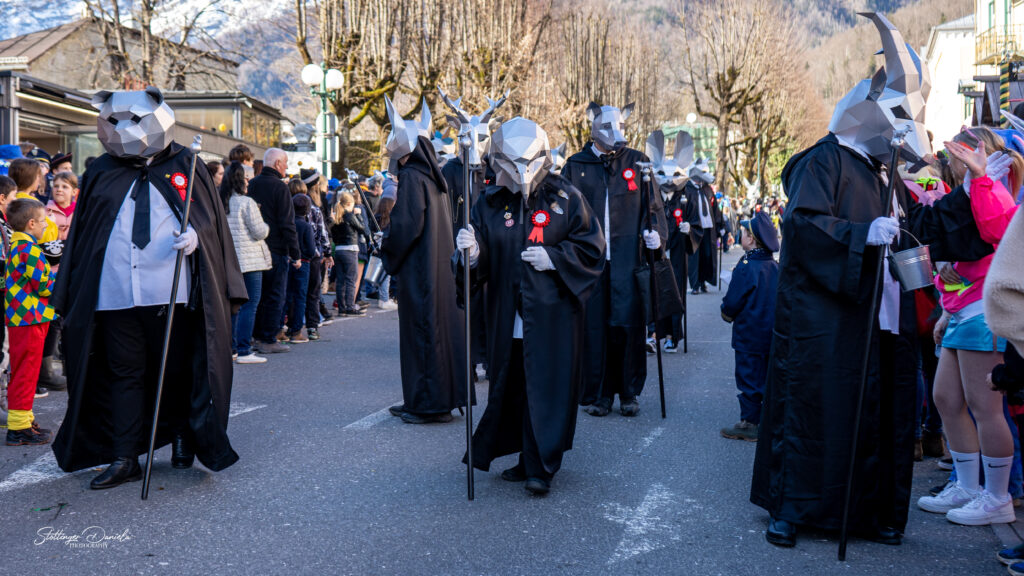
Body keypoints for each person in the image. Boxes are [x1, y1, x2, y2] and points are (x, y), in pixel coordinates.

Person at [751, 13, 997, 548]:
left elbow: (926, 226)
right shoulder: (823, 162)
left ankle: (875, 509)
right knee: (818, 407)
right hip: (828, 320)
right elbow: (802, 225)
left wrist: (977, 188)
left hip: (884, 316)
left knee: (882, 410)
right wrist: (862, 233)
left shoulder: (886, 174)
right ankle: (792, 509)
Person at [51, 86, 246, 489]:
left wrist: (197, 234)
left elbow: (210, 222)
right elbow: (85, 236)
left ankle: (180, 438)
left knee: (174, 367)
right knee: (124, 372)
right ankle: (125, 456)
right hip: (115, 292)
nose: (123, 130)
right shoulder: (101, 172)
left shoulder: (187, 164)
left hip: (170, 289)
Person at [455, 117, 605, 494]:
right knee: (514, 386)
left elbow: (592, 248)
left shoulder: (566, 198)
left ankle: (542, 465)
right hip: (508, 315)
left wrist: (555, 258)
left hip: (553, 316)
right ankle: (524, 456)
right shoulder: (488, 204)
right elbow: (482, 260)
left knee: (546, 387)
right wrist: (472, 255)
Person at [916, 134, 1019, 525]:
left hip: (984, 312)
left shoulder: (994, 189)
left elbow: (997, 236)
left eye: (956, 153)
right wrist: (946, 307)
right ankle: (970, 485)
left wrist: (980, 179)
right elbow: (958, 258)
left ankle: (997, 496)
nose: (949, 159)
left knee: (985, 408)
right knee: (946, 399)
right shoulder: (971, 188)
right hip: (962, 310)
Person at [562, 102, 667, 417]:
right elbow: (565, 214)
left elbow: (654, 207)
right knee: (595, 327)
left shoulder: (637, 162)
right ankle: (599, 393)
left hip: (626, 260)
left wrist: (656, 235)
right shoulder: (575, 166)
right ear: (592, 127)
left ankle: (628, 392)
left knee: (627, 325)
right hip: (590, 261)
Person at [379, 96, 469, 424]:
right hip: (437, 271)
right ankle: (424, 398)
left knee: (423, 334)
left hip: (421, 274)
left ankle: (428, 404)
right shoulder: (433, 178)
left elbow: (406, 226)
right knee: (435, 332)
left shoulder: (415, 179)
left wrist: (386, 243)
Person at [719, 212, 779, 441]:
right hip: (769, 333)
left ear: (751, 239)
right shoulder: (773, 265)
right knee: (764, 375)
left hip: (748, 335)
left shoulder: (746, 265)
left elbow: (733, 301)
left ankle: (750, 423)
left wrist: (727, 313)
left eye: (743, 233)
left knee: (749, 377)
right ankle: (765, 418)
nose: (740, 235)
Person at [4, 198, 56, 446]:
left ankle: (23, 420)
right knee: (26, 372)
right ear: (31, 223)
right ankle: (18, 427)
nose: (47, 225)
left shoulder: (17, 246)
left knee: (23, 370)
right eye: (44, 221)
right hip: (30, 317)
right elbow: (44, 286)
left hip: (21, 317)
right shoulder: (30, 250)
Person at [647, 129, 699, 353]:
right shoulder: (650, 194)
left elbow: (697, 224)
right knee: (653, 291)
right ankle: (653, 333)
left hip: (677, 254)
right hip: (655, 253)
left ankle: (672, 335)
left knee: (675, 292)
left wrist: (690, 230)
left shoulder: (687, 196)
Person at [249, 148, 300, 354]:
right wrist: (295, 252)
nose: (287, 167)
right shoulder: (280, 188)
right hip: (276, 249)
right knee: (274, 296)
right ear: (278, 163)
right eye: (286, 163)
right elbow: (287, 223)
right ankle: (268, 338)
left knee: (256, 297)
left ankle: (253, 336)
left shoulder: (251, 185)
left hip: (254, 248)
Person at [222, 161, 271, 364]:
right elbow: (260, 231)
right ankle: (244, 349)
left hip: (230, 261)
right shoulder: (247, 203)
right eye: (247, 179)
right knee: (250, 304)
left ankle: (232, 347)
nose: (248, 183)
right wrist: (265, 223)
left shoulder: (220, 201)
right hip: (250, 261)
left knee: (234, 305)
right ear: (241, 180)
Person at [684, 159, 724, 294]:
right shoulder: (686, 189)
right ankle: (695, 285)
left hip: (708, 229)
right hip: (694, 229)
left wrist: (720, 226)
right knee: (695, 257)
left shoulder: (707, 189)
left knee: (707, 255)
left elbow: (715, 209)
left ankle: (703, 282)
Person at [285, 193, 316, 343]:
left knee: (286, 295)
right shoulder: (306, 226)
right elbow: (311, 249)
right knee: (300, 297)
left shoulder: (288, 223)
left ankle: (281, 327)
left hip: (288, 260)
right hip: (303, 262)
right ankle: (296, 330)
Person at [331, 191, 368, 317]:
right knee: (351, 279)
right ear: (349, 204)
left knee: (340, 280)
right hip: (350, 249)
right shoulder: (349, 216)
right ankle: (350, 307)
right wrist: (359, 216)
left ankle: (342, 308)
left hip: (339, 250)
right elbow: (362, 229)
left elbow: (334, 237)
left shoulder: (337, 217)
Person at [46, 171, 77, 242]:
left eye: (65, 187)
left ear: (74, 192)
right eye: (56, 186)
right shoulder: (44, 212)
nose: (59, 189)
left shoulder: (80, 212)